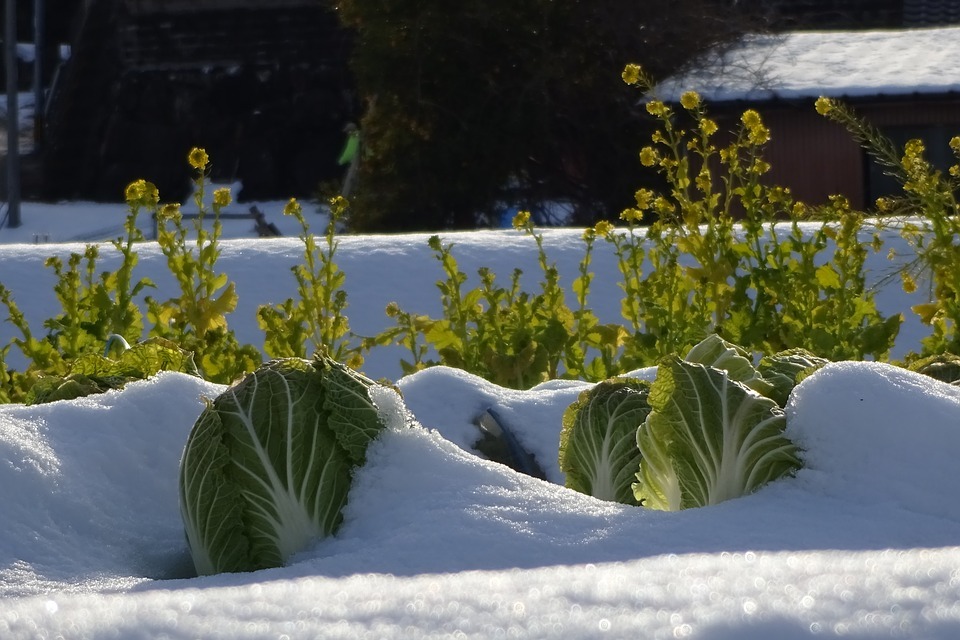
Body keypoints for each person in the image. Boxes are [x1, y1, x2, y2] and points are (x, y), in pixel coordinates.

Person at [338, 122, 361, 197]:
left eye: (348, 131)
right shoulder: (358, 136)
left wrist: (342, 160)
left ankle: (346, 202)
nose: (347, 133)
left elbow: (350, 151)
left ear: (351, 130)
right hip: (360, 164)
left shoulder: (354, 137)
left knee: (349, 184)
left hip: (356, 165)